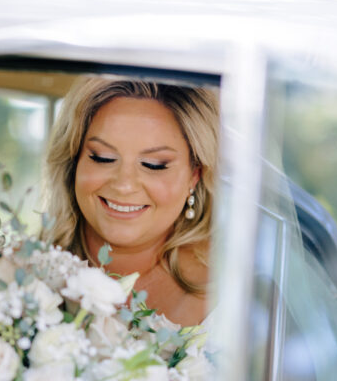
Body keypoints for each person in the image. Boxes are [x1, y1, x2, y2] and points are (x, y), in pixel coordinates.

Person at [43, 76, 219, 328]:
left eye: (153, 165)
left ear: (194, 175)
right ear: (74, 163)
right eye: (103, 158)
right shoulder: (16, 277)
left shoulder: (233, 292)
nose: (124, 185)